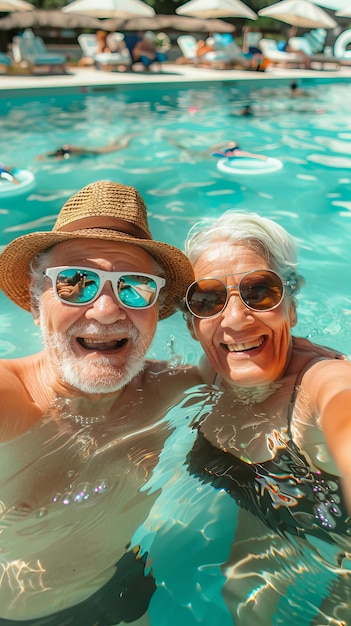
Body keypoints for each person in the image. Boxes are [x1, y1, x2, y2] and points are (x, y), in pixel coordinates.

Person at [0, 180, 200, 624]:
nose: (107, 311)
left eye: (134, 285)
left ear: (156, 308)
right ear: (36, 303)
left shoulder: (174, 389)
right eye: (76, 282)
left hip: (125, 582)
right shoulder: (12, 399)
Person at [178, 210, 351, 624]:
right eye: (208, 300)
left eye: (259, 292)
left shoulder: (321, 382)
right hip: (267, 507)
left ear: (290, 306)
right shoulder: (214, 372)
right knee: (240, 594)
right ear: (191, 324)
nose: (236, 320)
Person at [36, 132, 139, 161]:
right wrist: (43, 156)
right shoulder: (66, 147)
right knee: (110, 145)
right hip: (93, 150)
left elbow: (56, 159)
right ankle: (122, 135)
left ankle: (129, 136)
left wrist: (44, 159)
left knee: (123, 146)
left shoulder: (66, 155)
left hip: (96, 152)